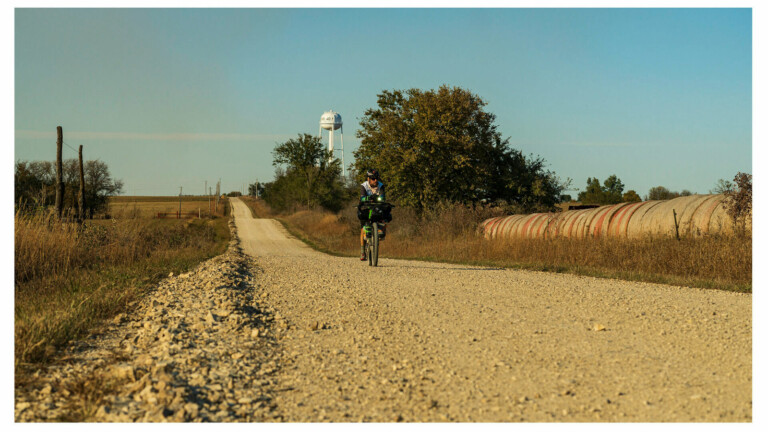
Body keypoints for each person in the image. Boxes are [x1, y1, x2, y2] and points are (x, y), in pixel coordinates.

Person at [359, 169, 386, 260]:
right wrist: (368, 198)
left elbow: (383, 197)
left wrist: (379, 199)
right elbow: (362, 198)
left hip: (377, 207)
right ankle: (363, 252)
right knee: (363, 228)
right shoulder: (364, 186)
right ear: (368, 179)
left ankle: (380, 231)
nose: (375, 180)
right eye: (373, 179)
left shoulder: (381, 186)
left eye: (376, 178)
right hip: (366, 208)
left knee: (385, 214)